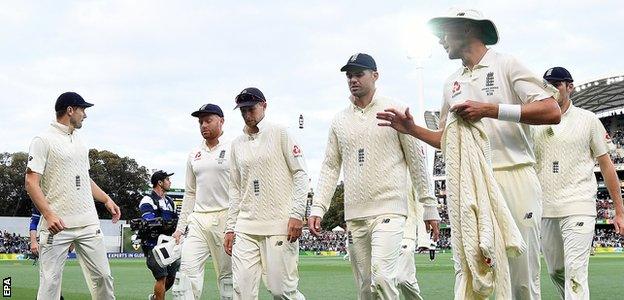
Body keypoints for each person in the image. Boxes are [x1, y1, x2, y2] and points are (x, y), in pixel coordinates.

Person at [377, 8, 561, 299]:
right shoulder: (452, 83)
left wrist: (489, 110)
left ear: (466, 30)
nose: (439, 41)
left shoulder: (507, 65)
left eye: (443, 32)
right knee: (476, 270)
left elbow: (552, 110)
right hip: (473, 186)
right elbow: (445, 140)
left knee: (521, 277)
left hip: (514, 176)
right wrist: (411, 129)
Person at [309, 53, 440, 300]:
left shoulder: (396, 111)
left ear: (375, 75)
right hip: (355, 214)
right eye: (349, 76)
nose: (353, 80)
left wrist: (429, 208)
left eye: (359, 74)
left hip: (389, 210)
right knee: (366, 289)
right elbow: (329, 167)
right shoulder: (339, 120)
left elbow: (417, 164)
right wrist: (318, 208)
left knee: (382, 278)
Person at [534, 67, 624, 299]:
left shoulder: (589, 120)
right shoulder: (535, 123)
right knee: (556, 271)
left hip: (579, 204)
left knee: (575, 272)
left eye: (557, 84)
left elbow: (606, 166)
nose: (552, 89)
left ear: (569, 86)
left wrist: (619, 211)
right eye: (547, 85)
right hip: (545, 208)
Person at [25, 91, 120, 300]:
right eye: (82, 109)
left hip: (87, 222)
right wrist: (49, 215)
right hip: (57, 225)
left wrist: (106, 199)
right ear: (70, 110)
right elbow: (31, 182)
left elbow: (84, 178)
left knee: (103, 277)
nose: (85, 115)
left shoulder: (80, 140)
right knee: (50, 284)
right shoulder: (43, 140)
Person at [223, 87, 308, 299]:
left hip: (279, 224)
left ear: (264, 106)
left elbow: (300, 173)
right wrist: (230, 228)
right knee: (242, 291)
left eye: (250, 108)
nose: (246, 114)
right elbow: (235, 188)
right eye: (242, 110)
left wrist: (297, 214)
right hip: (245, 226)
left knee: (282, 291)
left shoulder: (281, 133)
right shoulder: (236, 144)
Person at [172, 104, 233, 300]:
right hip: (198, 220)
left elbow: (242, 189)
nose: (203, 125)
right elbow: (190, 193)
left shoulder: (234, 147)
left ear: (221, 121)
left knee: (228, 281)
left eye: (208, 120)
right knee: (185, 278)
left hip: (225, 218)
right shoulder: (194, 154)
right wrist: (180, 228)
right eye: (200, 122)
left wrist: (234, 224)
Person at [140, 170, 180, 300]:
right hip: (153, 245)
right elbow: (149, 220)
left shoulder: (170, 201)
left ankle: (155, 298)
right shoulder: (147, 199)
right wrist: (167, 224)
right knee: (161, 277)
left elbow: (177, 221)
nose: (170, 182)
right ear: (160, 182)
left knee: (171, 278)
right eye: (167, 180)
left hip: (169, 244)